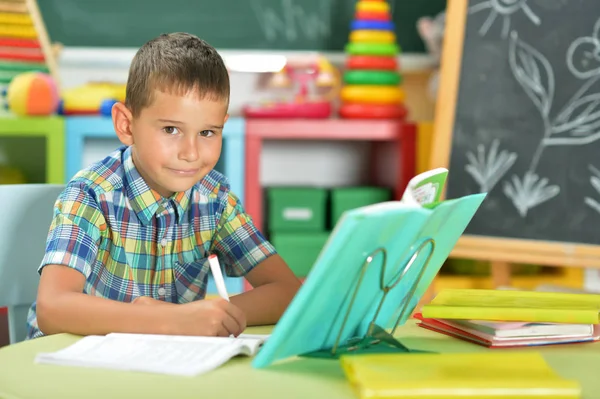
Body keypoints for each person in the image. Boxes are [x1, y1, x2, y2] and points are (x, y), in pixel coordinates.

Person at [26, 32, 302, 339]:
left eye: (208, 133)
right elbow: (52, 309)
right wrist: (174, 320)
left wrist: (213, 316)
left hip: (158, 367)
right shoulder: (91, 195)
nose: (191, 153)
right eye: (171, 129)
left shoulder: (215, 200)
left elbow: (287, 291)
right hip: (70, 365)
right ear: (126, 125)